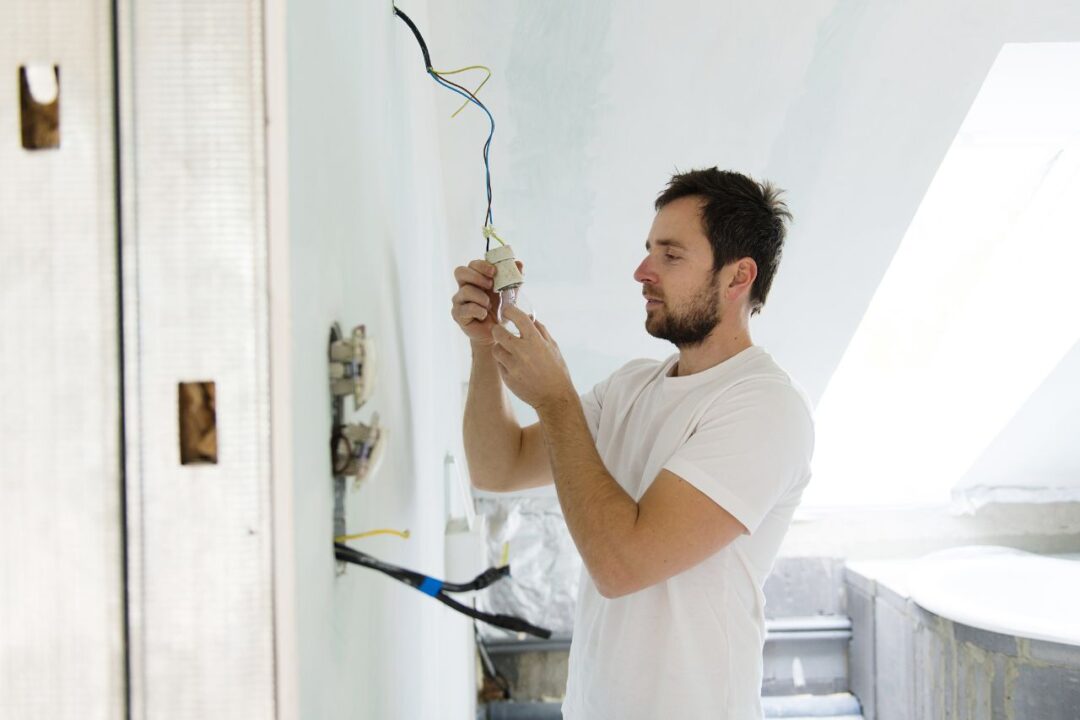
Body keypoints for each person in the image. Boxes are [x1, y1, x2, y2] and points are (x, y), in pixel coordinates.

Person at [450, 168, 815, 719]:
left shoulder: (764, 408)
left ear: (739, 276)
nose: (642, 271)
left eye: (670, 256)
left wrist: (556, 402)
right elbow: (496, 468)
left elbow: (621, 564)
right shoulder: (631, 386)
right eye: (649, 251)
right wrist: (485, 343)